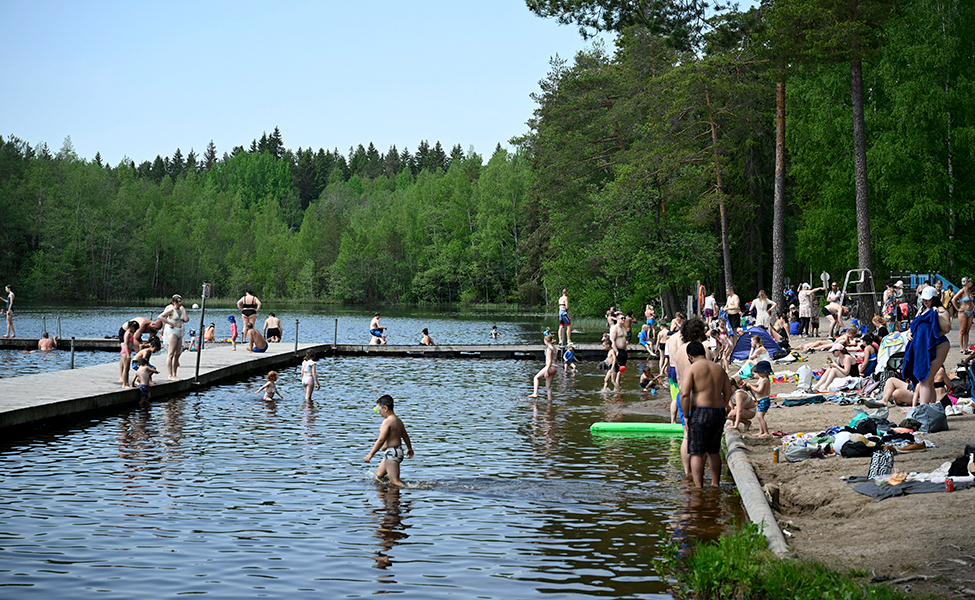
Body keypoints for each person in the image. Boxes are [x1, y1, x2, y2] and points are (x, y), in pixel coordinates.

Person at [680, 340, 733, 488]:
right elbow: (728, 392)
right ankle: (715, 484)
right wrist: (722, 404)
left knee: (697, 452)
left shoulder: (691, 369)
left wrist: (686, 415)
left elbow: (684, 394)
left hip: (700, 411)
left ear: (690, 356)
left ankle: (698, 487)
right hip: (718, 412)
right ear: (704, 353)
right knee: (713, 451)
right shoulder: (719, 368)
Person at [903, 286, 951, 405]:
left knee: (925, 379)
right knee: (928, 381)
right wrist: (910, 333)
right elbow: (914, 325)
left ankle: (923, 409)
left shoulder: (940, 310)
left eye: (928, 299)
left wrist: (935, 315)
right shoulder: (922, 310)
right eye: (923, 298)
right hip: (924, 347)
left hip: (939, 345)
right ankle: (931, 407)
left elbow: (946, 328)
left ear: (934, 298)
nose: (925, 301)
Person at [365, 395, 414, 487]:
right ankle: (383, 499)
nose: (379, 413)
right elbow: (405, 436)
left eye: (378, 409)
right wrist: (409, 448)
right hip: (395, 452)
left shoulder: (387, 422)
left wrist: (370, 454)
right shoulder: (398, 421)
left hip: (392, 453)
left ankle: (410, 491)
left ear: (385, 408)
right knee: (378, 477)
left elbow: (381, 440)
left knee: (395, 481)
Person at [157, 295, 189, 381]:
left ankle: (175, 374)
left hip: (180, 331)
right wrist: (169, 323)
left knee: (177, 354)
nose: (180, 303)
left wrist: (183, 309)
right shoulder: (171, 309)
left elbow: (186, 319)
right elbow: (160, 317)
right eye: (178, 301)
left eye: (181, 301)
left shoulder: (181, 309)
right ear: (174, 302)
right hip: (172, 332)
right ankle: (170, 375)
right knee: (171, 354)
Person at [742, 360, 772, 437]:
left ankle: (766, 432)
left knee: (760, 416)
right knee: (759, 417)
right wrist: (749, 384)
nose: (758, 373)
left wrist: (751, 386)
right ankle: (761, 431)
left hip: (764, 400)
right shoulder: (761, 379)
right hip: (760, 400)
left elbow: (759, 390)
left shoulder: (765, 379)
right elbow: (756, 384)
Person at [952, 277, 973, 352]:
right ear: (967, 283)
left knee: (967, 331)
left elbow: (970, 301)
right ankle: (961, 348)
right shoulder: (962, 291)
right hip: (963, 312)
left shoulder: (969, 291)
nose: (972, 283)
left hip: (971, 312)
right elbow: (953, 299)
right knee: (962, 330)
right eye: (970, 281)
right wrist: (957, 309)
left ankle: (966, 347)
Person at [609, 311, 629, 388]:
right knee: (616, 369)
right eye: (622, 318)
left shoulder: (623, 328)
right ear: (617, 319)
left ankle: (617, 385)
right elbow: (612, 340)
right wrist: (616, 351)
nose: (623, 319)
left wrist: (626, 349)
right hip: (618, 351)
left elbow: (624, 339)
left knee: (622, 370)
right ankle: (615, 385)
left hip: (624, 351)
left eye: (624, 318)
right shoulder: (614, 328)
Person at [118, 320, 140, 386]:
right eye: (135, 329)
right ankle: (125, 384)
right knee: (126, 368)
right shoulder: (127, 333)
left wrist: (136, 350)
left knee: (127, 368)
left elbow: (132, 343)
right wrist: (128, 354)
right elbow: (126, 344)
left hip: (129, 351)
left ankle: (126, 383)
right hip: (125, 351)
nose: (135, 331)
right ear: (132, 327)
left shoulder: (131, 333)